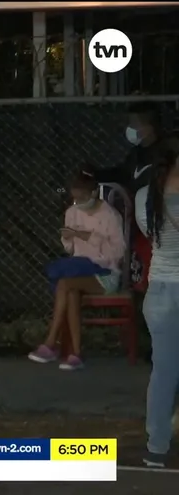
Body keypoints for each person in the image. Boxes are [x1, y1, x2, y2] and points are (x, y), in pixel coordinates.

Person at [27, 170, 126, 370]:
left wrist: (86, 235)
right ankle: (75, 353)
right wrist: (68, 237)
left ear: (93, 193)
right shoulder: (72, 212)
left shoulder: (109, 215)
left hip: (104, 272)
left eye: (81, 198)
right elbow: (70, 249)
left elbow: (118, 253)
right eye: (74, 198)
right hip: (77, 269)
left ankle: (50, 344)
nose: (78, 202)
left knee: (61, 280)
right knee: (68, 287)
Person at [92, 102, 164, 362]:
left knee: (158, 287)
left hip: (158, 230)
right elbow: (121, 174)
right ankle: (151, 344)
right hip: (138, 230)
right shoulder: (136, 156)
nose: (130, 130)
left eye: (135, 124)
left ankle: (163, 344)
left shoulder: (163, 156)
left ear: (148, 126)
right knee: (140, 286)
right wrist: (95, 173)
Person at [134, 132, 179, 468]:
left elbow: (151, 234)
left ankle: (157, 446)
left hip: (159, 291)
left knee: (164, 371)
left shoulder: (144, 196)